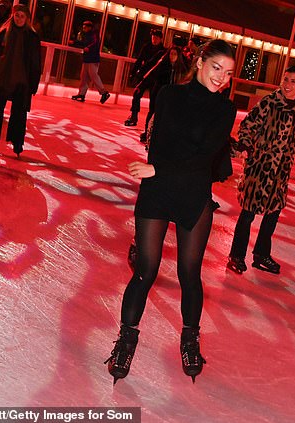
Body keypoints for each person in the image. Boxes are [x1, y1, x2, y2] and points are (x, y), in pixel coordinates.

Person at [105, 39, 237, 385]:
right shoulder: (167, 95)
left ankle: (190, 340)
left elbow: (203, 159)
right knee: (145, 270)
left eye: (228, 73)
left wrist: (157, 170)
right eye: (216, 68)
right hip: (158, 191)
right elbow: (160, 142)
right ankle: (126, 341)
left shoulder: (225, 110)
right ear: (200, 63)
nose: (221, 78)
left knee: (189, 274)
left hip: (193, 194)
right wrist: (157, 171)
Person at [226, 66, 295, 275]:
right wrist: (246, 145)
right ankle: (236, 255)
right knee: (248, 213)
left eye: (293, 81)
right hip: (259, 168)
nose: (287, 84)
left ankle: (261, 254)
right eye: (285, 79)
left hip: (281, 171)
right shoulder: (269, 102)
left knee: (273, 213)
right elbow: (248, 124)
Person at [0, 4, 41, 157]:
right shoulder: (4, 32)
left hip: (21, 80)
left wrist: (34, 83)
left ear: (27, 19)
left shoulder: (32, 37)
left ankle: (17, 143)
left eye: (22, 16)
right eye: (17, 15)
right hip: (2, 77)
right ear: (13, 16)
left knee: (19, 113)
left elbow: (36, 62)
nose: (19, 19)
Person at [138, 46, 189, 143]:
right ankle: (147, 133)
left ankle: (162, 136)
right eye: (171, 54)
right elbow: (153, 75)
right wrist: (141, 85)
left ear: (179, 56)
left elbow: (185, 81)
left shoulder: (182, 69)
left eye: (174, 54)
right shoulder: (163, 65)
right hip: (158, 93)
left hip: (172, 96)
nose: (172, 56)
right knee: (153, 112)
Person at [124, 29, 166, 127]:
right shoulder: (146, 47)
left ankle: (151, 121)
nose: (154, 39)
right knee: (137, 94)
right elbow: (139, 60)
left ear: (160, 39)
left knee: (153, 100)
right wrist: (133, 72)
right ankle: (134, 115)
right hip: (144, 76)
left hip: (154, 78)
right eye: (153, 37)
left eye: (156, 38)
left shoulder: (162, 51)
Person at [69, 21, 110, 104]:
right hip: (87, 59)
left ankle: (104, 92)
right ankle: (81, 94)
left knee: (93, 75)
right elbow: (84, 43)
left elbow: (95, 43)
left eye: (85, 27)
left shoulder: (94, 34)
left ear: (89, 27)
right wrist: (74, 42)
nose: (84, 29)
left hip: (93, 59)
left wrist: (88, 48)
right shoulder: (87, 35)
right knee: (84, 77)